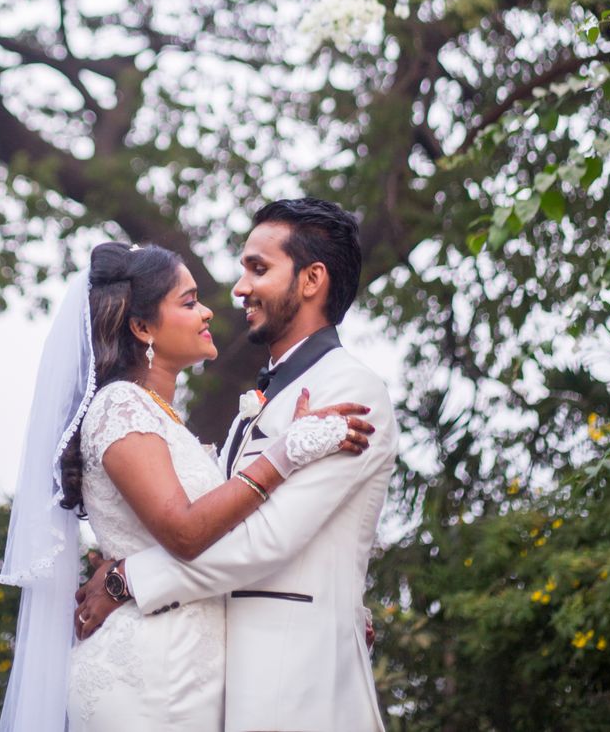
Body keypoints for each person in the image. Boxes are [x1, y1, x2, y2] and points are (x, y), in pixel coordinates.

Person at [0, 237, 374, 732]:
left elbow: (243, 533)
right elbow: (185, 531)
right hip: (152, 673)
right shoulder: (120, 407)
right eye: (189, 301)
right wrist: (288, 452)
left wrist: (332, 603)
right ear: (143, 327)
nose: (209, 312)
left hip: (192, 668)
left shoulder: (162, 420)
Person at [75, 198, 399, 732]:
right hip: (212, 678)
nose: (239, 288)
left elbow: (266, 541)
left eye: (259, 268)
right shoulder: (267, 399)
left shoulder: (349, 389)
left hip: (295, 680)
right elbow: (213, 519)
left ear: (313, 279)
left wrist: (128, 579)